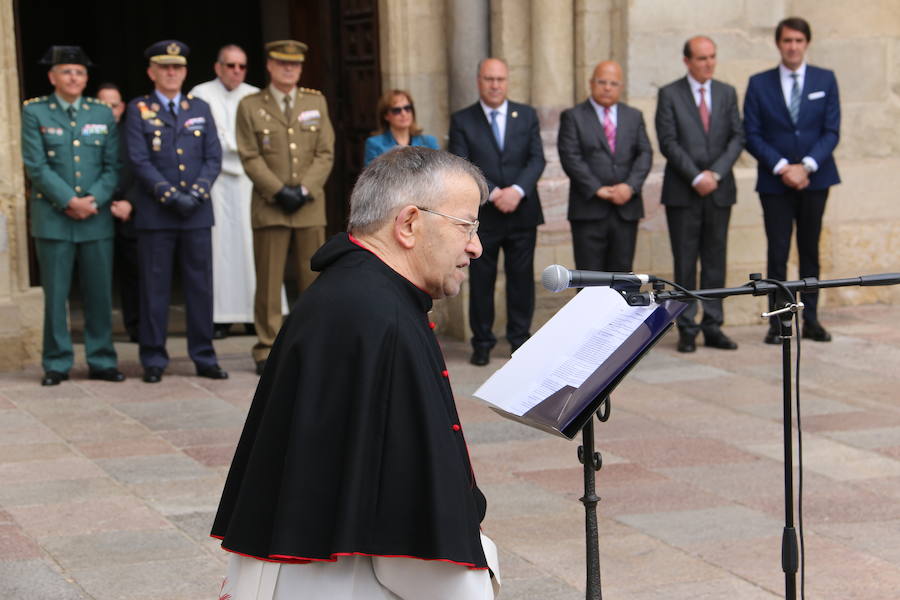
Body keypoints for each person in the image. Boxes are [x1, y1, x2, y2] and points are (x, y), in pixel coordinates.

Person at [212, 147, 500, 599]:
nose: (475, 246)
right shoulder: (381, 320)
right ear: (408, 224)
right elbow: (414, 546)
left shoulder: (351, 292)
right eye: (466, 225)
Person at [21, 46, 124, 386]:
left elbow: (113, 166)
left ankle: (102, 358)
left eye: (79, 72)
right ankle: (56, 361)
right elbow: (36, 165)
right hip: (54, 219)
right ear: (53, 77)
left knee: (99, 293)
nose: (73, 78)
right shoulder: (36, 112)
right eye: (66, 72)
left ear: (86, 78)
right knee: (56, 294)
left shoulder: (101, 113)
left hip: (95, 218)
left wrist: (94, 198)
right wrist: (69, 200)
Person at [125, 40, 227, 383]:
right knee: (155, 288)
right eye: (165, 67)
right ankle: (154, 357)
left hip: (196, 212)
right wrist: (169, 195)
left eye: (178, 67)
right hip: (156, 214)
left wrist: (196, 193)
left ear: (185, 71)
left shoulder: (199, 107)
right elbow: (138, 160)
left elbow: (213, 156)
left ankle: (204, 355)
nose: (172, 72)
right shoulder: (139, 109)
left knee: (200, 287)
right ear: (152, 72)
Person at [236, 40, 335, 375]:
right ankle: (267, 347)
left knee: (313, 280)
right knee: (268, 280)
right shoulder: (250, 105)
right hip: (271, 205)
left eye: (294, 64)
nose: (288, 69)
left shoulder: (315, 100)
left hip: (308, 204)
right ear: (270, 65)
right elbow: (249, 154)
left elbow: (325, 152)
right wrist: (278, 191)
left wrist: (304, 188)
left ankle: (313, 343)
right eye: (282, 64)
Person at [744, 17, 840, 344]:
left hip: (816, 180)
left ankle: (811, 318)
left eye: (799, 40)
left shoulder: (825, 79)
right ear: (778, 44)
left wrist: (807, 166)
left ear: (807, 43)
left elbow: (831, 130)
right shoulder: (759, 83)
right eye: (787, 41)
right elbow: (752, 134)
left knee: (810, 250)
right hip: (776, 183)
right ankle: (779, 321)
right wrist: (784, 166)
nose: (793, 46)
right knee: (778, 251)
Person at [448, 57, 546, 366]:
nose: (495, 85)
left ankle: (520, 340)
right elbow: (461, 163)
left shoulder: (526, 115)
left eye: (500, 79)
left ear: (507, 81)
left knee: (521, 280)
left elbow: (537, 159)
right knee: (482, 281)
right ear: (479, 81)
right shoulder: (463, 119)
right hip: (483, 215)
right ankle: (482, 342)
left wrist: (517, 191)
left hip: (522, 212)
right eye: (489, 79)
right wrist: (493, 192)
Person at [655, 36, 744, 353]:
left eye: (712, 57)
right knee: (685, 262)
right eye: (702, 58)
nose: (708, 63)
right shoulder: (670, 94)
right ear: (687, 61)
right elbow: (668, 141)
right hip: (684, 192)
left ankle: (713, 325)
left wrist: (715, 174)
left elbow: (737, 137)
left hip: (719, 190)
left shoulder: (726, 92)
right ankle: (688, 328)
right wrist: (695, 176)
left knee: (715, 261)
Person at [189, 44, 261, 340]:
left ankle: (252, 316)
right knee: (219, 248)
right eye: (230, 65)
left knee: (250, 246)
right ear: (218, 67)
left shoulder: (255, 95)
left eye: (241, 66)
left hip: (249, 179)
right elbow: (204, 139)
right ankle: (218, 317)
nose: (236, 71)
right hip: (215, 180)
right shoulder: (200, 94)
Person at [558, 60, 652, 274]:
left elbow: (645, 153)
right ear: (591, 83)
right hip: (589, 209)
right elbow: (570, 156)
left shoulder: (634, 116)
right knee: (590, 278)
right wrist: (598, 189)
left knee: (623, 277)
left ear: (621, 87)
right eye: (602, 82)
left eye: (613, 83)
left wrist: (630, 186)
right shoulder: (573, 116)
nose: (607, 87)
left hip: (625, 210)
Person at [97, 82, 139, 343]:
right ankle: (99, 334)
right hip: (97, 212)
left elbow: (142, 168)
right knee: (98, 277)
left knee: (134, 276)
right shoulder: (89, 133)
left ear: (122, 107)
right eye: (104, 105)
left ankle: (136, 327)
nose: (110, 110)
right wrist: (105, 202)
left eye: (114, 105)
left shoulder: (132, 133)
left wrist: (130, 203)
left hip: (129, 213)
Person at [364, 89, 439, 165]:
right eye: (396, 110)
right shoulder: (374, 144)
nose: (403, 113)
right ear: (386, 116)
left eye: (407, 108)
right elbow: (373, 176)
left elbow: (439, 171)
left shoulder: (429, 142)